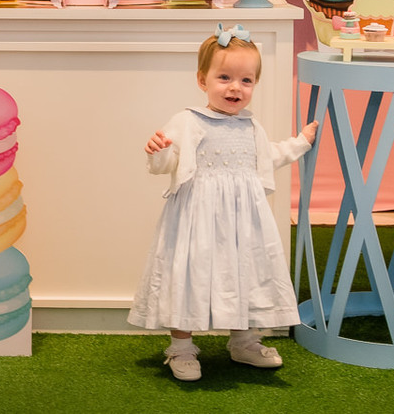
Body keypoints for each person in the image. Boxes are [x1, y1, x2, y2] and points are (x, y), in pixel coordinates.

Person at [127, 24, 319, 381]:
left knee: (245, 272)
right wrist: (158, 151)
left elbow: (269, 157)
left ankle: (243, 341)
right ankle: (181, 347)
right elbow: (167, 163)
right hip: (196, 220)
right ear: (203, 80)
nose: (235, 87)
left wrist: (301, 142)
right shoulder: (187, 121)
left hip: (243, 221)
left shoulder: (251, 126)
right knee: (189, 275)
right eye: (225, 77)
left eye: (246, 80)